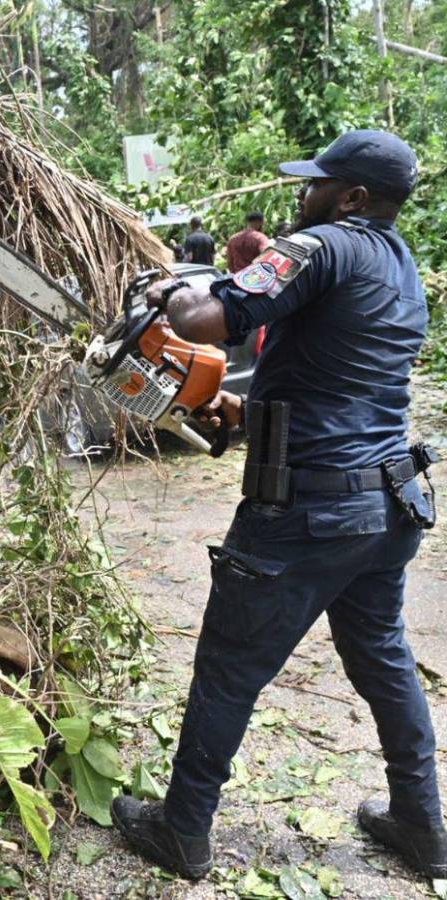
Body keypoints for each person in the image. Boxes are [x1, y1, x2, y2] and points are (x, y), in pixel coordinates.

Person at [111, 130, 444, 880]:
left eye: (317, 184)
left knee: (229, 666)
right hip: (384, 505)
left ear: (353, 198)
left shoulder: (320, 246)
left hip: (305, 513)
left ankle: (182, 830)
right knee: (385, 660)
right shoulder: (401, 266)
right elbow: (338, 380)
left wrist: (171, 287)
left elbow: (201, 322)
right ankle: (423, 825)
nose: (305, 195)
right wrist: (247, 406)